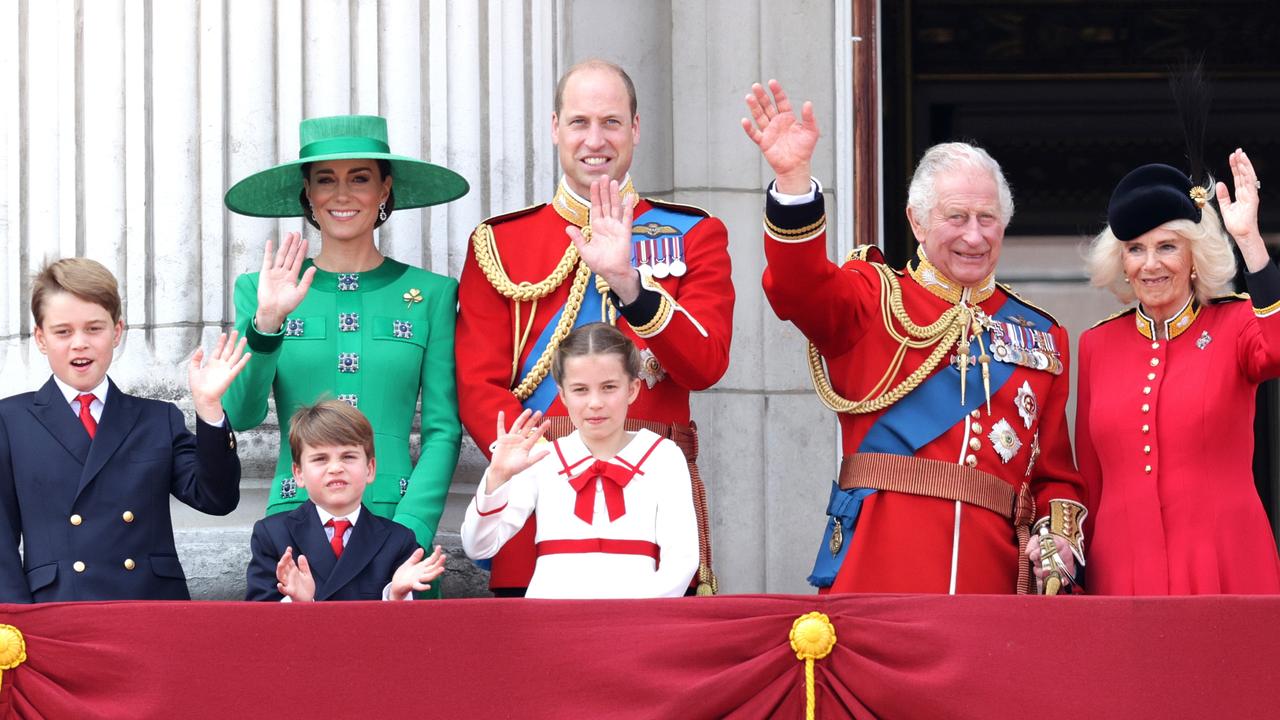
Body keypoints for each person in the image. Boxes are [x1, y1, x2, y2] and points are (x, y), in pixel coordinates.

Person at [741, 79, 1086, 594]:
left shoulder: (1040, 335)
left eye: (987, 219)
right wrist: (793, 182)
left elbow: (1056, 476)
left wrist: (1059, 542)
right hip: (877, 577)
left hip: (989, 587)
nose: (975, 235)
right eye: (956, 217)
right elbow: (798, 287)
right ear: (917, 222)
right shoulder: (871, 298)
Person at [455, 60, 733, 595]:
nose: (595, 139)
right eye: (580, 122)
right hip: (538, 503)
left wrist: (632, 286)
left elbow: (706, 364)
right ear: (556, 127)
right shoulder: (500, 243)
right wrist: (552, 470)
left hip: (653, 498)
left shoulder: (694, 233)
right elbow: (476, 385)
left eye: (611, 122)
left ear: (635, 128)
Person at [222, 115, 467, 595]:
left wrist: (412, 531)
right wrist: (267, 323)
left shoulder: (433, 293)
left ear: (384, 190)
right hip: (295, 528)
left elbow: (443, 429)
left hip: (400, 530)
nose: (342, 194)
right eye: (325, 180)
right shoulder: (261, 289)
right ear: (307, 194)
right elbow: (241, 414)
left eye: (360, 178)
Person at [1077, 150, 1280, 594]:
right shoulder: (1097, 345)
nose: (1151, 265)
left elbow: (1277, 349)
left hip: (1227, 564)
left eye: (1167, 246)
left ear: (1194, 258)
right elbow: (1090, 481)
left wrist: (1249, 241)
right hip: (1122, 573)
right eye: (1135, 250)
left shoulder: (1236, 324)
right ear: (1122, 264)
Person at [0, 258, 248, 602]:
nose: (79, 343)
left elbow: (217, 499)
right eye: (63, 331)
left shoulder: (157, 418)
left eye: (93, 328)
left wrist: (208, 408)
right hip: (57, 611)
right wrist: (14, 623)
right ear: (41, 339)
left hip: (148, 608)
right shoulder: (10, 420)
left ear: (117, 332)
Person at [461, 323, 698, 598]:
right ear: (563, 394)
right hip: (550, 624)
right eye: (580, 390)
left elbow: (682, 559)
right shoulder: (542, 458)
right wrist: (497, 477)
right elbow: (478, 546)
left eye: (609, 387)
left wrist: (638, 619)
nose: (595, 403)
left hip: (637, 624)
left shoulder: (663, 455)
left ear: (632, 389)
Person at [245, 400, 447, 602]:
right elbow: (256, 623)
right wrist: (298, 604)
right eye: (320, 459)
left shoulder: (399, 541)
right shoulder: (273, 535)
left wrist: (395, 596)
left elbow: (409, 630)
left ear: (370, 469)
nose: (335, 468)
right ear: (298, 474)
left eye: (348, 456)